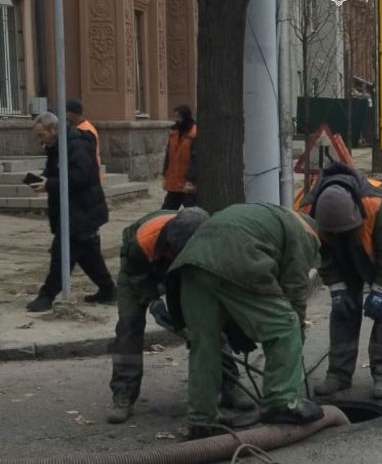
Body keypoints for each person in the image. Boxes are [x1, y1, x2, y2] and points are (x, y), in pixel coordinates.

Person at [166, 203, 324, 438]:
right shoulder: (305, 234)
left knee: (205, 343)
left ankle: (202, 418)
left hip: (189, 265)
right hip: (235, 258)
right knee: (285, 324)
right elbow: (294, 289)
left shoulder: (263, 216)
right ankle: (281, 402)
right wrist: (296, 331)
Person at [106, 207, 255, 424]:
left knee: (209, 322)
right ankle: (123, 394)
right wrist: (154, 301)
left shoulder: (207, 238)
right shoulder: (144, 239)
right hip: (139, 274)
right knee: (128, 328)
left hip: (184, 270)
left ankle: (229, 384)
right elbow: (135, 274)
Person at [299, 163, 382, 400]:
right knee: (343, 311)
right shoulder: (307, 212)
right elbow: (322, 254)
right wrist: (336, 287)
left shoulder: (376, 204)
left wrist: (381, 289)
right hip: (341, 254)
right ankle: (338, 374)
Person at [27, 112, 116, 312]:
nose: (40, 140)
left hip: (81, 209)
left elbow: (82, 176)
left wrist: (50, 184)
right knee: (88, 254)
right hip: (75, 209)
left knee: (63, 253)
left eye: (42, 135)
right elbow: (56, 171)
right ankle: (108, 290)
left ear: (53, 130)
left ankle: (47, 295)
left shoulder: (76, 144)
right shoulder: (57, 146)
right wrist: (43, 179)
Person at [162, 105, 198, 210]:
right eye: (175, 117)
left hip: (188, 184)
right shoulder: (174, 133)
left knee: (191, 213)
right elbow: (169, 157)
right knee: (166, 211)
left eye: (178, 117)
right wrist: (165, 176)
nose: (176, 120)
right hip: (174, 182)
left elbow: (196, 159)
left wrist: (191, 180)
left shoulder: (194, 133)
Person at [66, 98, 102, 182]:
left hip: (87, 175)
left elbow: (82, 157)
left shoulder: (84, 131)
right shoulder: (80, 127)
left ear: (71, 114)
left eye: (66, 112)